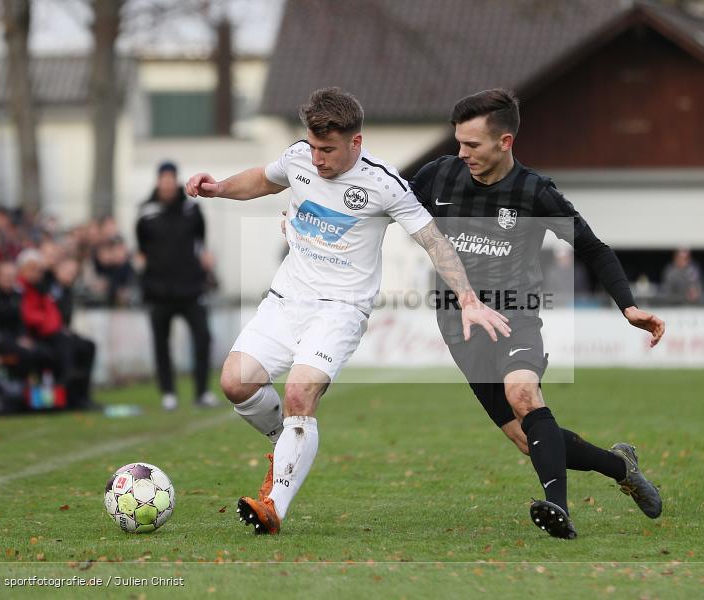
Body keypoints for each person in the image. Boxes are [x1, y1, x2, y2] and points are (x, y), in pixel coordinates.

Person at [185, 87, 509, 535]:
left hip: (340, 309)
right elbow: (264, 179)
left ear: (356, 142)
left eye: (328, 150)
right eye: (314, 147)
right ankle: (287, 442)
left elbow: (434, 242)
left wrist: (469, 300)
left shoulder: (384, 184)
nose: (317, 159)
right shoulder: (299, 157)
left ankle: (273, 506)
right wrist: (219, 188)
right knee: (234, 383)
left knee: (299, 393)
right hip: (286, 299)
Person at [410, 89, 666, 539]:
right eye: (459, 142)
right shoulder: (438, 176)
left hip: (516, 314)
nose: (461, 152)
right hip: (459, 322)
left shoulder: (535, 192)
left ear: (504, 141)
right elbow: (383, 205)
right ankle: (620, 467)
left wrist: (627, 305)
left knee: (523, 394)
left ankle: (558, 510)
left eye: (472, 144)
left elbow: (592, 247)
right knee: (529, 441)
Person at [136, 161, 218, 411]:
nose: (167, 184)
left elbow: (201, 241)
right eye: (164, 179)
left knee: (203, 337)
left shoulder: (191, 209)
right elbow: (141, 247)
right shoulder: (146, 211)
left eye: (171, 179)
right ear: (158, 181)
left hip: (191, 288)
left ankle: (202, 391)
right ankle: (168, 392)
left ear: (176, 180)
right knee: (161, 343)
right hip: (158, 290)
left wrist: (206, 260)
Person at [17, 249, 96, 409]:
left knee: (87, 346)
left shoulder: (41, 288)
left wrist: (54, 326)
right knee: (65, 346)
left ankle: (82, 396)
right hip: (36, 335)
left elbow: (52, 314)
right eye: (32, 269)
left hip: (50, 332)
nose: (36, 273)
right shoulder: (20, 289)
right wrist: (50, 324)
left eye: (38, 270)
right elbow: (28, 315)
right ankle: (64, 394)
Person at [0, 260, 50, 374]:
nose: (8, 279)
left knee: (44, 352)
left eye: (11, 276)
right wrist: (15, 342)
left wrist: (22, 337)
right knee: (25, 354)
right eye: (5, 275)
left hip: (13, 339)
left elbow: (20, 321)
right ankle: (16, 383)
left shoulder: (18, 293)